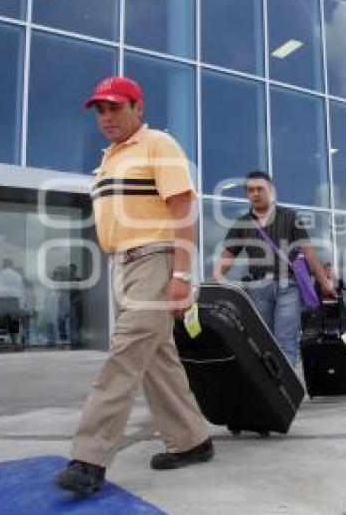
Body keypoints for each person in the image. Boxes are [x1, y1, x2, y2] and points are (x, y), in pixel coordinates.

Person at [54, 76, 211, 495]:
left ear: (137, 108)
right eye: (100, 110)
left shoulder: (158, 144)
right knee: (157, 359)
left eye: (115, 108)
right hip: (121, 266)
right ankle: (192, 439)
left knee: (125, 354)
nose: (106, 117)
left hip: (155, 260)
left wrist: (181, 274)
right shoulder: (109, 157)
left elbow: (183, 210)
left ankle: (89, 457)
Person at [212, 171, 336, 366]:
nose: (255, 193)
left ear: (270, 191)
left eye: (259, 189)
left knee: (285, 339)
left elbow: (308, 252)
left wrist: (324, 283)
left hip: (289, 286)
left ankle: (286, 391)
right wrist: (216, 279)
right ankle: (271, 389)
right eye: (250, 190)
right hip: (258, 288)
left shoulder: (289, 217)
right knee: (264, 339)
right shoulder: (243, 223)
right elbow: (228, 255)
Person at [0, 258, 26, 345]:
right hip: (14, 301)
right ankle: (15, 343)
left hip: (2, 301)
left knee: (1, 324)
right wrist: (21, 305)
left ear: (4, 265)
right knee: (14, 323)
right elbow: (22, 291)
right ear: (12, 265)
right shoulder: (17, 275)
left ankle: (0, 343)